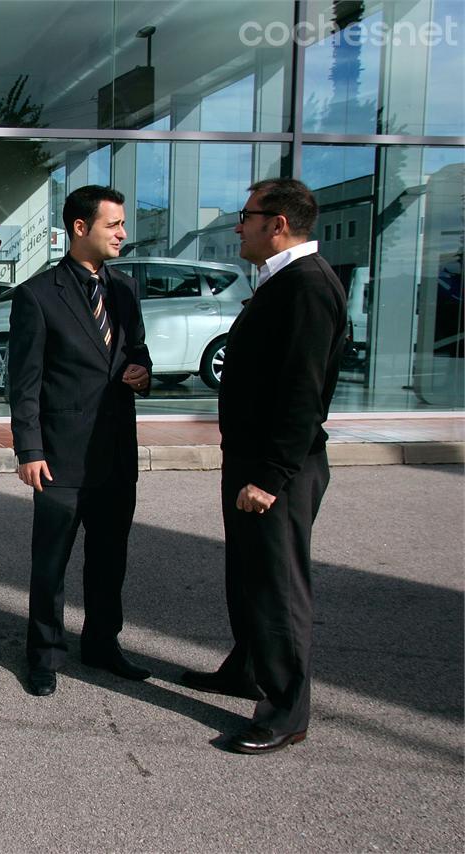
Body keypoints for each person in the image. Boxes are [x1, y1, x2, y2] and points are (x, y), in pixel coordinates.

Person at [180, 178, 347, 754]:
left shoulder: (306, 286)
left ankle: (285, 711)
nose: (238, 226)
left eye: (246, 216)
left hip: (279, 471)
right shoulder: (283, 282)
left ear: (278, 223)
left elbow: (303, 394)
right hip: (255, 463)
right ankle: (245, 668)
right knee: (249, 574)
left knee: (278, 587)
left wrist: (271, 478)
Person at [7, 185, 152, 697]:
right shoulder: (38, 294)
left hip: (116, 455)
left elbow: (138, 352)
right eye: (113, 224)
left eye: (122, 223)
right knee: (51, 564)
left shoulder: (126, 289)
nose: (122, 233)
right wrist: (30, 450)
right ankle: (44, 655)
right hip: (61, 458)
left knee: (110, 560)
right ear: (80, 228)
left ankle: (103, 644)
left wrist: (142, 371)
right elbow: (23, 382)